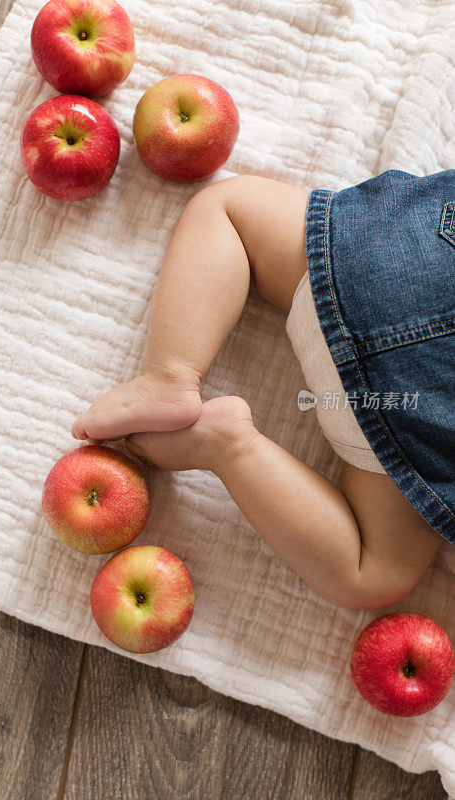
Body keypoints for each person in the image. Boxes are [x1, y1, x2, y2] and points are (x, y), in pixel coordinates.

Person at [71, 170, 455, 609]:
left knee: (228, 210)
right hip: (421, 412)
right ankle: (228, 446)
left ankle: (169, 376)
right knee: (369, 573)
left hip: (388, 267)